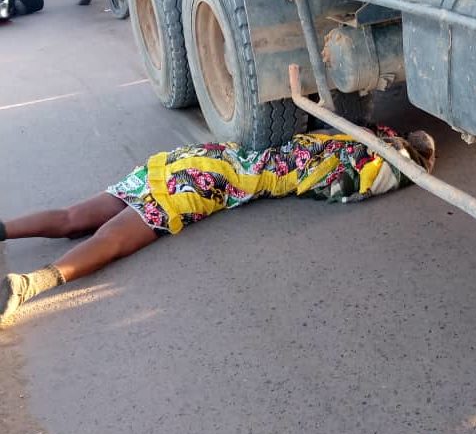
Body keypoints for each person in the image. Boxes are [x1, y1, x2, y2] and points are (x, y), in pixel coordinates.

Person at [0, 127, 435, 323]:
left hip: (188, 158)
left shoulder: (343, 137)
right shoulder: (359, 166)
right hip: (209, 182)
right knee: (112, 240)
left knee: (74, 217)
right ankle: (30, 285)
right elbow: (363, 184)